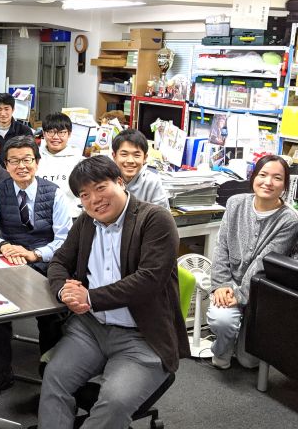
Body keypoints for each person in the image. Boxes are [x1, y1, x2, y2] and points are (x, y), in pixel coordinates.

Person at [37, 156, 189, 429]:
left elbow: (149, 280)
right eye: (85, 195)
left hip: (142, 336)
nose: (94, 199)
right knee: (54, 378)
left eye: (100, 188)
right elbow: (59, 261)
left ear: (120, 182)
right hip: (91, 329)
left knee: (114, 402)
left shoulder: (154, 219)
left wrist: (90, 298)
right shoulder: (86, 222)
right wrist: (63, 291)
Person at [0, 135, 72, 406]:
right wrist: (3, 245)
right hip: (11, 260)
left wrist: (35, 254)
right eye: (14, 161)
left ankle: (52, 378)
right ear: (6, 165)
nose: (21, 166)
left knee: (52, 315)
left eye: (27, 160)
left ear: (37, 162)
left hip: (46, 261)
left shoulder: (54, 193)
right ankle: (1, 375)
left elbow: (65, 239)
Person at [207, 155, 298, 370]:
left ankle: (239, 338)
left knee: (249, 362)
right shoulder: (235, 203)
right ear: (253, 177)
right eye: (263, 175)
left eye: (277, 178)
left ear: (285, 185)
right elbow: (221, 247)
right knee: (223, 322)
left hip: (261, 292)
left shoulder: (290, 220)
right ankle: (222, 348)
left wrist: (239, 296)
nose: (268, 182)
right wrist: (221, 285)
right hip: (229, 283)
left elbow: (263, 263)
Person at [36, 112, 84, 219]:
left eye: (61, 132)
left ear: (69, 134)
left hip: (71, 216)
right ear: (43, 133)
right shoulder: (34, 157)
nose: (56, 137)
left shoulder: (79, 160)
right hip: (40, 216)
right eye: (50, 132)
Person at [112, 129, 169, 209]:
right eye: (124, 154)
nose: (130, 161)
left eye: (136, 155)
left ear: (145, 158)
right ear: (114, 156)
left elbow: (162, 214)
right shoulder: (108, 180)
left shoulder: (152, 182)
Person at [0, 93, 33, 166]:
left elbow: (30, 155)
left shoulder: (24, 131)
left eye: (6, 109)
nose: (3, 113)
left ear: (13, 109)